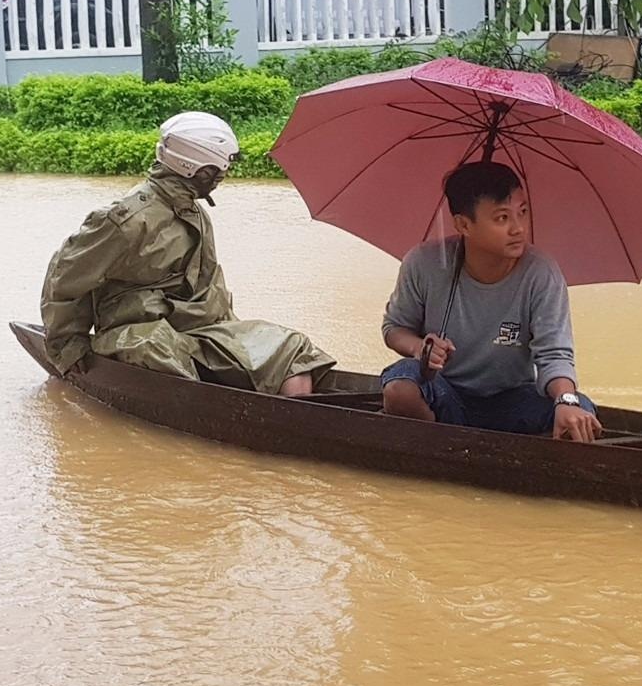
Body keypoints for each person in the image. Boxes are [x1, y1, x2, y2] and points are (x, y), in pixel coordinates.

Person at [40, 111, 336, 396]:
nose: (223, 176)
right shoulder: (126, 220)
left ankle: (293, 414)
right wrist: (68, 346)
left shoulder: (196, 214)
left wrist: (242, 347)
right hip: (137, 331)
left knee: (293, 347)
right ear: (198, 169)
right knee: (158, 349)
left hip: (202, 328)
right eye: (219, 171)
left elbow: (211, 287)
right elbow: (64, 277)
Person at [379, 160, 603, 442]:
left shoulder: (541, 272)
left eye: (522, 213)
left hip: (514, 400)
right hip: (444, 390)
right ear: (463, 224)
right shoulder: (424, 263)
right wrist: (420, 347)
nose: (518, 228)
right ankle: (441, 450)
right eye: (502, 218)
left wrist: (566, 400)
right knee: (400, 388)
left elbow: (554, 355)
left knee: (579, 414)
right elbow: (395, 328)